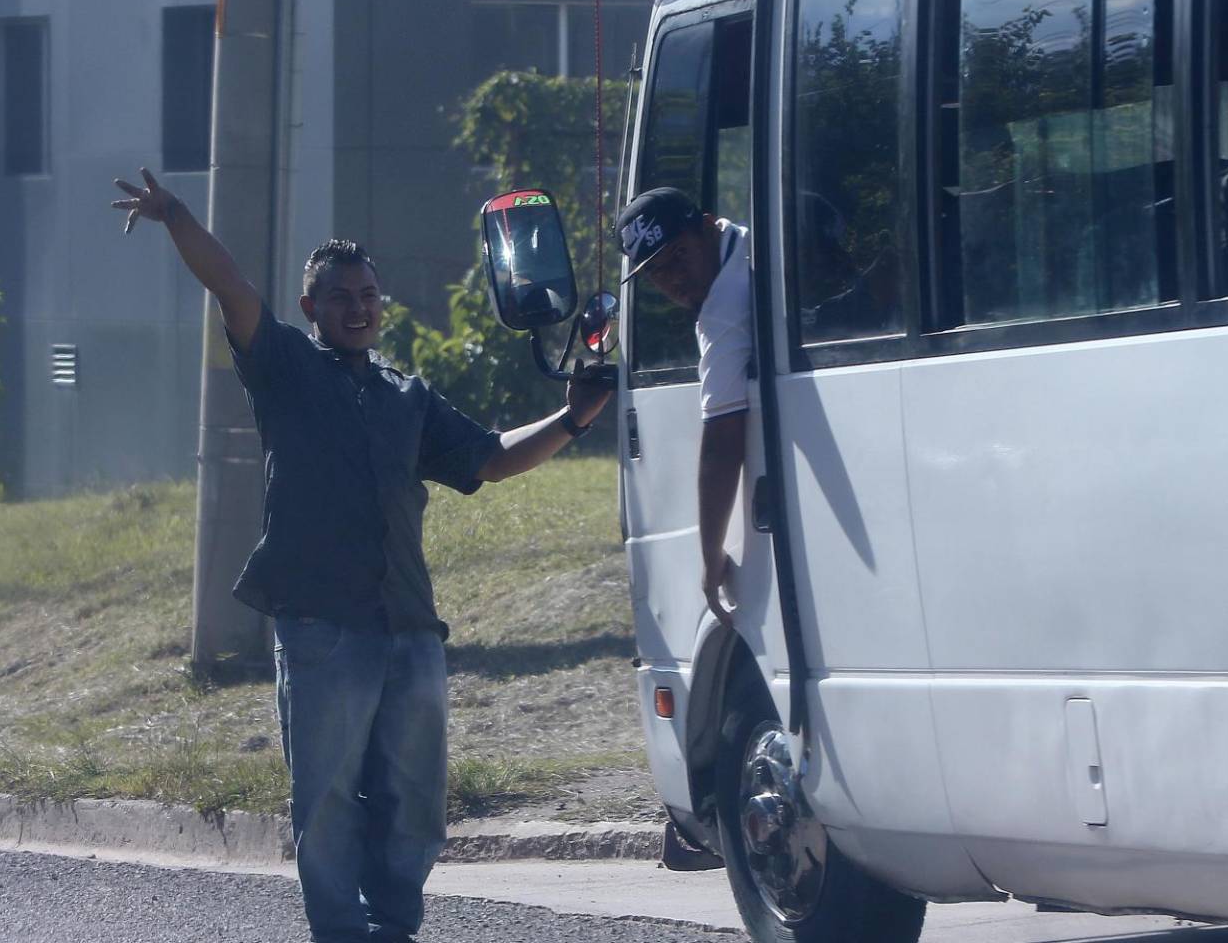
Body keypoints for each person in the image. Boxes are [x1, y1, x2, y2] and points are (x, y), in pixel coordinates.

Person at [108, 168, 613, 943]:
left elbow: (488, 457)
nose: (358, 308)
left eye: (369, 296)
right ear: (312, 308)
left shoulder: (406, 396)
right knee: (330, 798)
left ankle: (394, 929)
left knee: (415, 799)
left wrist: (573, 418)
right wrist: (174, 214)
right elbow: (232, 287)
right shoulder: (282, 366)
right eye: (341, 297)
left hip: (410, 628)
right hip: (322, 629)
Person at [616, 187, 749, 627]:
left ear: (708, 226)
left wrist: (711, 553)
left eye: (678, 256)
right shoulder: (741, 244)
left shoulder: (726, 302)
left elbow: (723, 437)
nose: (673, 278)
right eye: (655, 272)